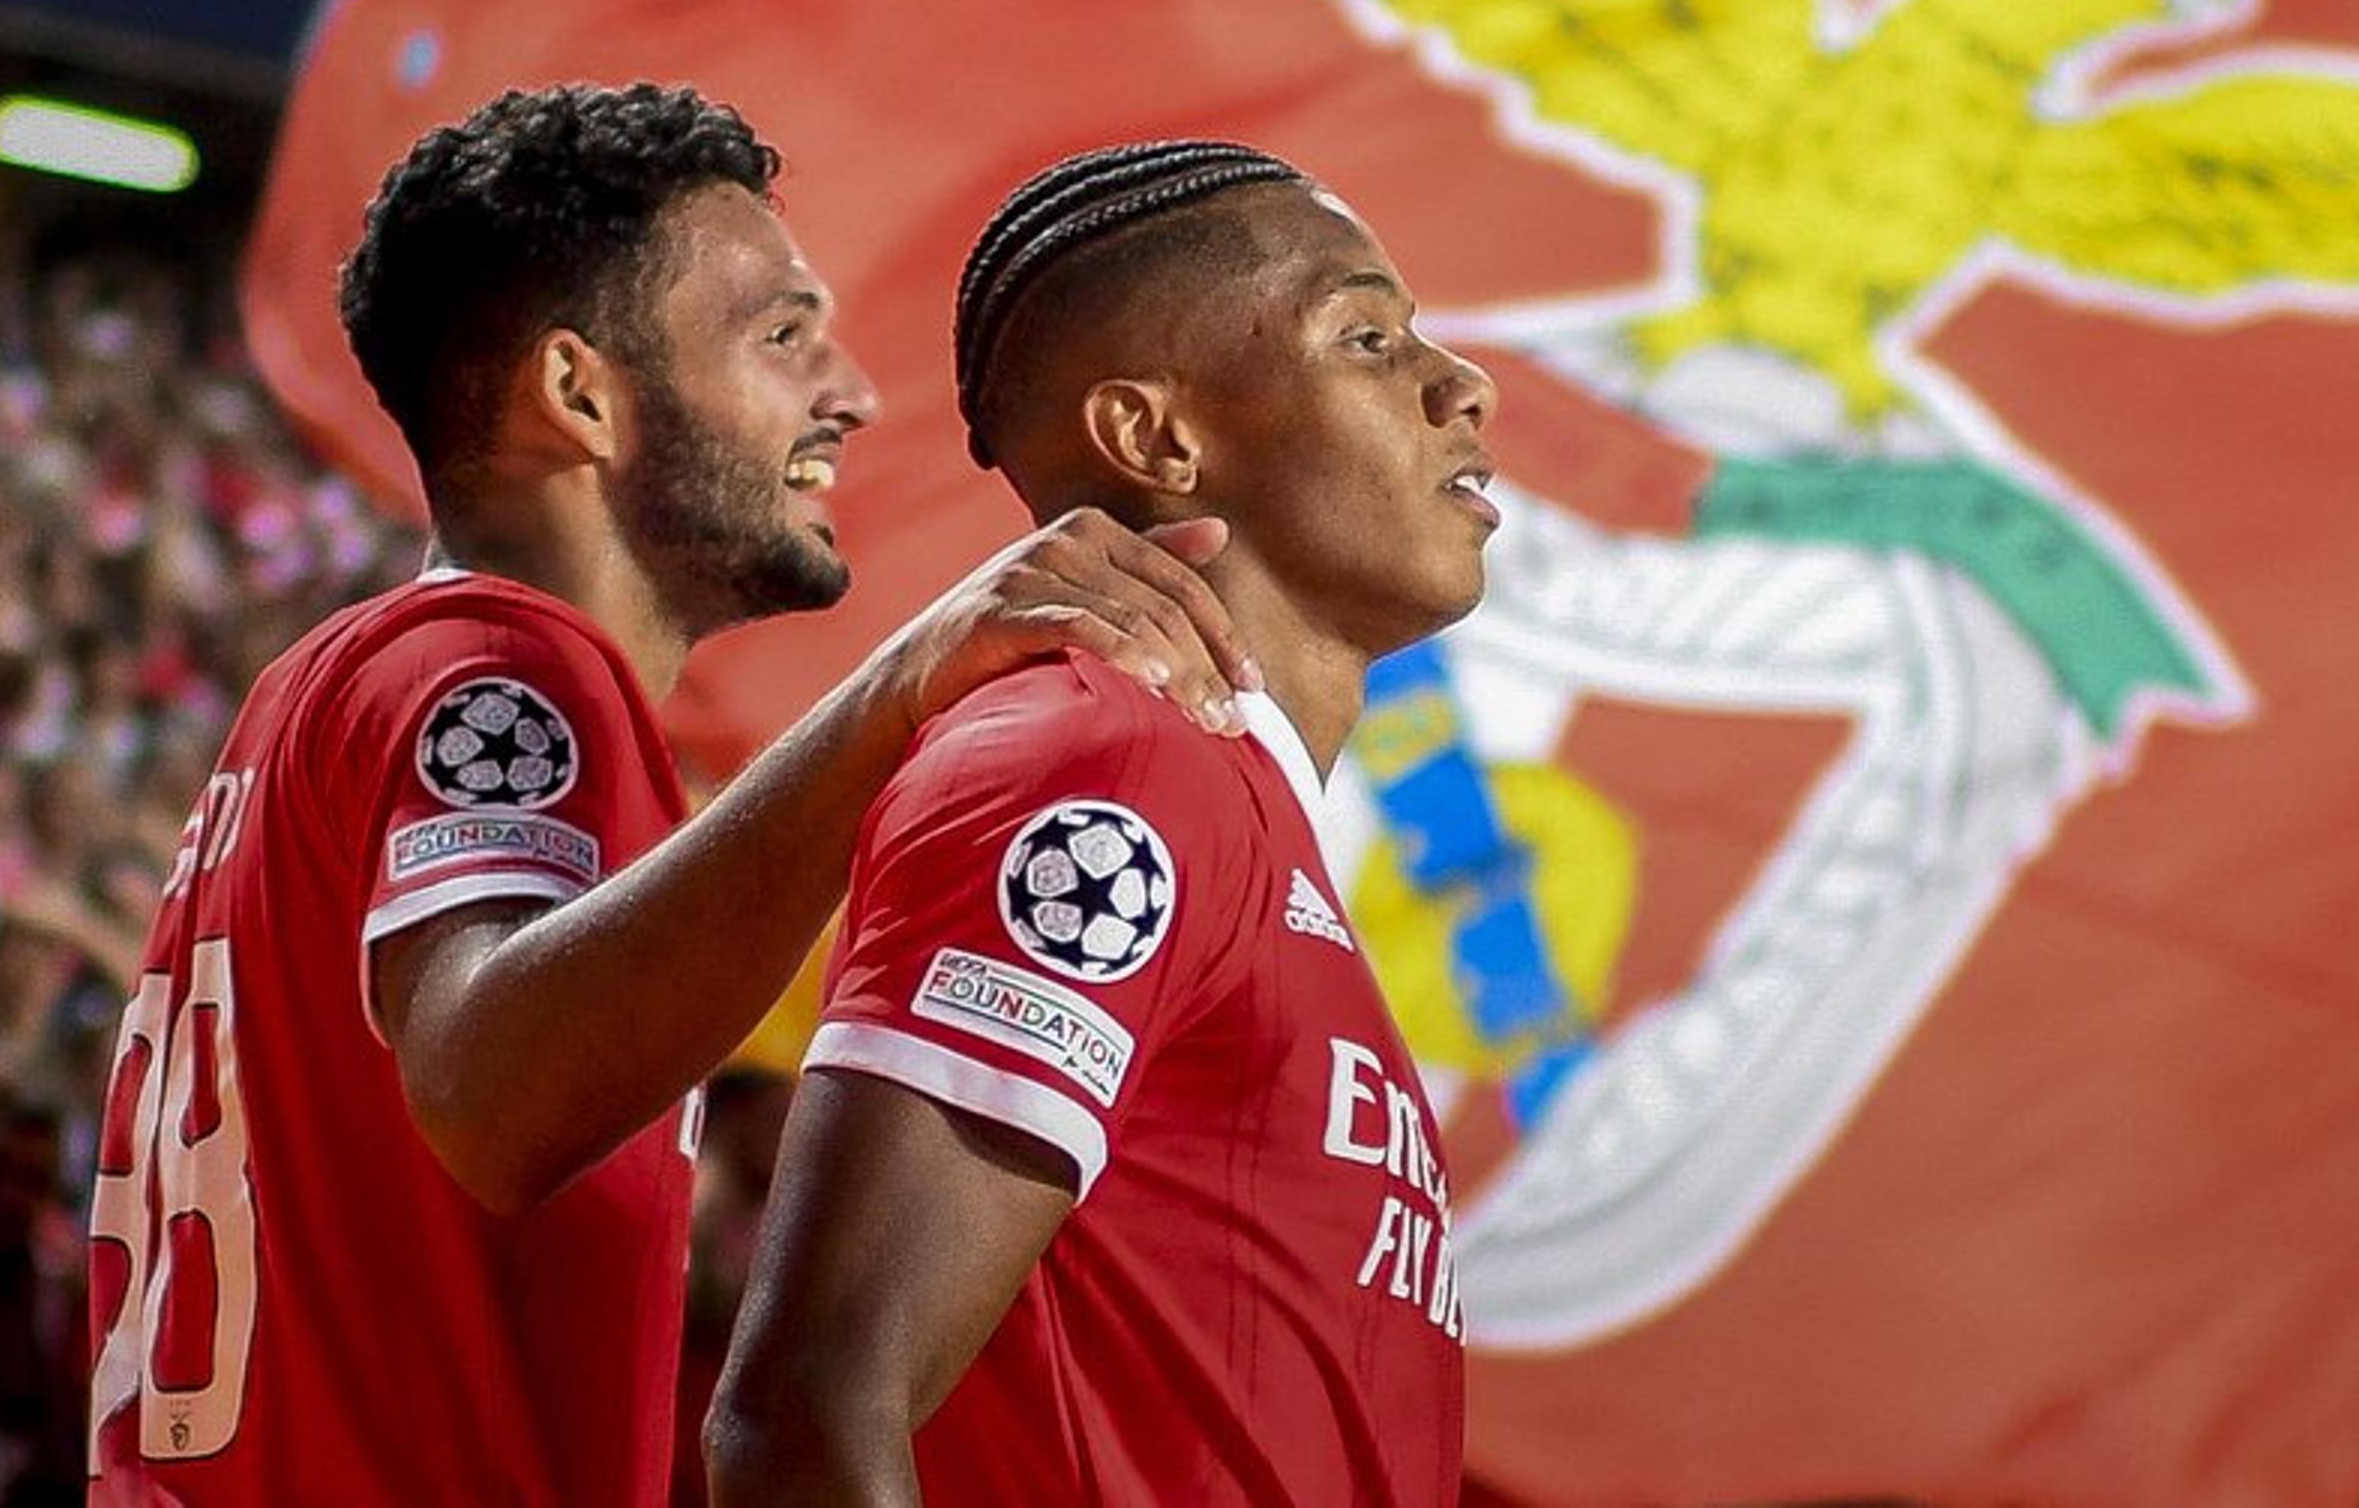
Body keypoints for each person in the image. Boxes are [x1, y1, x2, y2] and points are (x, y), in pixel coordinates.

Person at [86, 83, 1252, 1502]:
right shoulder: (505, 669)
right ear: (581, 394)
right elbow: (495, 1088)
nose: (852, 393)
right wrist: (902, 689)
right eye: (780, 335)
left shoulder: (327, 690)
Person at [707, 139, 1496, 1506]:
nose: (1459, 384)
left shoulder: (1228, 804)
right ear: (1156, 437)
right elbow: (808, 1413)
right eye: (1367, 335)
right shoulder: (1104, 763)